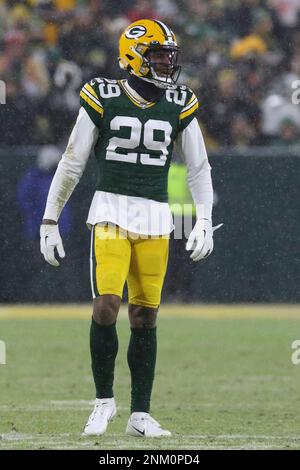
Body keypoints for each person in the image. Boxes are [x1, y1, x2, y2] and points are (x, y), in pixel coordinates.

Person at [40, 19, 220, 438]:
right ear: (132, 56)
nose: (165, 63)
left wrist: (205, 220)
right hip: (110, 212)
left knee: (145, 315)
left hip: (157, 217)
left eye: (168, 56)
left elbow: (199, 167)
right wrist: (50, 219)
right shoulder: (103, 94)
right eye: (157, 55)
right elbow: (71, 161)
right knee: (106, 304)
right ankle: (104, 402)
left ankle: (141, 414)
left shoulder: (180, 100)